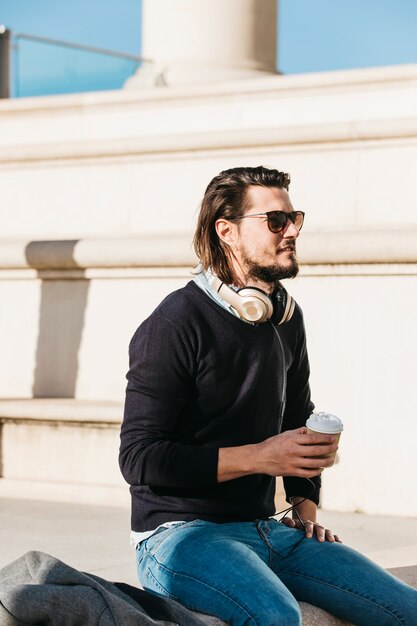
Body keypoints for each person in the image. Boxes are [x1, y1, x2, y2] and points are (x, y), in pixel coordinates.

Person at [119, 166, 417, 626]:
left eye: (295, 218)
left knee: (407, 610)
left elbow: (298, 420)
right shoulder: (175, 323)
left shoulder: (283, 318)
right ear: (227, 232)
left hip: (267, 531)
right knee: (276, 617)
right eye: (275, 221)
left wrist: (304, 507)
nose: (292, 231)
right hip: (178, 538)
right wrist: (260, 457)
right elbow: (139, 459)